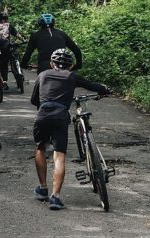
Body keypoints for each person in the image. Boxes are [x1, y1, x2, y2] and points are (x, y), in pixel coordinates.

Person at [30, 48, 110, 210]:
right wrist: (105, 89)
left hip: (43, 114)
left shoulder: (43, 75)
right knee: (59, 156)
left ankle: (43, 188)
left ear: (52, 63)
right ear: (71, 65)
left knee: (40, 148)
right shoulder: (72, 76)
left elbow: (34, 100)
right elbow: (92, 86)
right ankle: (55, 197)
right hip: (61, 116)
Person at [0, 12, 19, 88]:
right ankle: (4, 82)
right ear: (6, 19)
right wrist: (23, 39)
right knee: (5, 65)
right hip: (6, 48)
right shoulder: (9, 25)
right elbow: (17, 34)